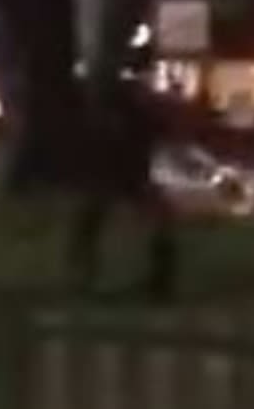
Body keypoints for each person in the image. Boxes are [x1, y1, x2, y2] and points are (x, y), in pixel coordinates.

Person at [68, 36, 176, 302]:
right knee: (98, 218)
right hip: (122, 167)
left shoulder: (123, 94)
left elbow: (147, 130)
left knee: (97, 218)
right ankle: (88, 273)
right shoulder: (127, 95)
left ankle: (154, 281)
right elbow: (143, 129)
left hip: (124, 168)